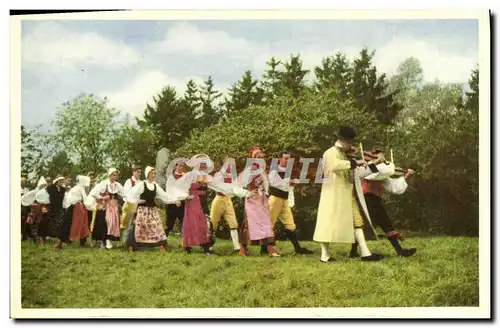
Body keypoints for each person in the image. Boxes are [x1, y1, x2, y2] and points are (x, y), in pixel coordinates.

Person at [313, 127, 386, 262]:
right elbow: (335, 166)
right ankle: (325, 255)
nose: (352, 146)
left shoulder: (343, 154)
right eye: (350, 143)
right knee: (327, 225)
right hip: (333, 195)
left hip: (346, 195)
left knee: (357, 221)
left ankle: (365, 253)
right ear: (344, 141)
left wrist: (374, 163)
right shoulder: (330, 152)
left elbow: (358, 173)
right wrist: (355, 162)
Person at [174, 154, 254, 255]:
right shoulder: (189, 175)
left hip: (202, 202)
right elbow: (178, 187)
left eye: (204, 163)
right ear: (196, 164)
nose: (202, 165)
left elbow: (222, 186)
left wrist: (245, 193)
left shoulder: (207, 177)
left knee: (205, 224)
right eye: (201, 163)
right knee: (192, 224)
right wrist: (184, 196)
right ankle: (188, 247)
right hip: (192, 202)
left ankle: (206, 248)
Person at [350, 146, 417, 257]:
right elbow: (372, 173)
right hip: (365, 200)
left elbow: (394, 187)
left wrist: (406, 176)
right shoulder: (364, 169)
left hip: (374, 200)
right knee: (376, 224)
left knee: (366, 225)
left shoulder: (381, 172)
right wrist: (378, 163)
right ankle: (399, 251)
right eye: (378, 155)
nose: (381, 157)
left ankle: (353, 251)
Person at [125, 166, 187, 252]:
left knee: (157, 227)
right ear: (147, 174)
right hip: (142, 210)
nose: (154, 175)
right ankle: (132, 246)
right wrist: (137, 201)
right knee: (139, 228)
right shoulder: (142, 184)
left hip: (152, 210)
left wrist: (174, 201)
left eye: (154, 173)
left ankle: (161, 245)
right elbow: (130, 194)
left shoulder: (155, 185)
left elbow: (164, 196)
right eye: (152, 173)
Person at [266, 150, 313, 255]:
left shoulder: (287, 170)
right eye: (285, 158)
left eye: (289, 158)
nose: (288, 160)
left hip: (284, 199)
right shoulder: (274, 170)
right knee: (270, 223)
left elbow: (288, 187)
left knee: (290, 224)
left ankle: (298, 248)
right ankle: (267, 248)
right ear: (280, 159)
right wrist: (289, 182)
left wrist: (292, 186)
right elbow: (273, 183)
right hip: (275, 199)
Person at [238, 147, 280, 257]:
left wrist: (266, 191)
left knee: (265, 222)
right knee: (249, 223)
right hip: (252, 200)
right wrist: (247, 193)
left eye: (262, 157)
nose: (260, 159)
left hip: (262, 199)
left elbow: (266, 183)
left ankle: (268, 247)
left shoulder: (262, 171)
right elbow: (239, 185)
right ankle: (242, 248)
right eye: (258, 157)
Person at [88, 168, 126, 249]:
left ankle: (108, 239)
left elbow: (125, 194)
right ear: (109, 175)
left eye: (116, 175)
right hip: (104, 207)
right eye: (114, 175)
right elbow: (93, 193)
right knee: (104, 223)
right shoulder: (103, 184)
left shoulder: (117, 185)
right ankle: (102, 240)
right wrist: (102, 198)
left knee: (113, 223)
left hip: (113, 207)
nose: (115, 177)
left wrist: (127, 202)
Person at [209, 159, 242, 253]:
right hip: (219, 198)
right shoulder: (218, 174)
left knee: (233, 223)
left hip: (227, 199)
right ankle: (209, 246)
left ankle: (237, 247)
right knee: (213, 223)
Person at [55, 175, 91, 249]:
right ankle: (81, 242)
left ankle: (61, 242)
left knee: (67, 224)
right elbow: (85, 199)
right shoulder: (81, 188)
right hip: (77, 207)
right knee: (81, 224)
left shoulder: (75, 187)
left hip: (72, 206)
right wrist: (90, 206)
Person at [36, 175, 66, 245]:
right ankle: (42, 238)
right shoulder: (50, 188)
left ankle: (59, 242)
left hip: (59, 209)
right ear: (56, 181)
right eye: (60, 181)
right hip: (50, 208)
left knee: (60, 225)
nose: (61, 182)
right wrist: (45, 203)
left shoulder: (63, 189)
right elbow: (40, 194)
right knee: (45, 223)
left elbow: (65, 199)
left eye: (62, 181)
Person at [164, 161, 186, 238]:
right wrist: (175, 200)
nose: (181, 167)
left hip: (183, 203)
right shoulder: (171, 178)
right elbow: (169, 191)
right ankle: (163, 243)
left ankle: (186, 244)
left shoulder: (185, 177)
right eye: (180, 166)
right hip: (172, 204)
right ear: (176, 167)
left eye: (183, 166)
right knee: (169, 224)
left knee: (185, 224)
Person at [121, 165, 141, 234]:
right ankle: (124, 240)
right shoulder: (129, 182)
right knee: (126, 224)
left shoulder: (140, 183)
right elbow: (126, 195)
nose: (139, 174)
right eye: (138, 172)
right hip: (129, 205)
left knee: (135, 224)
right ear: (133, 172)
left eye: (140, 172)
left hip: (138, 206)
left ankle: (133, 241)